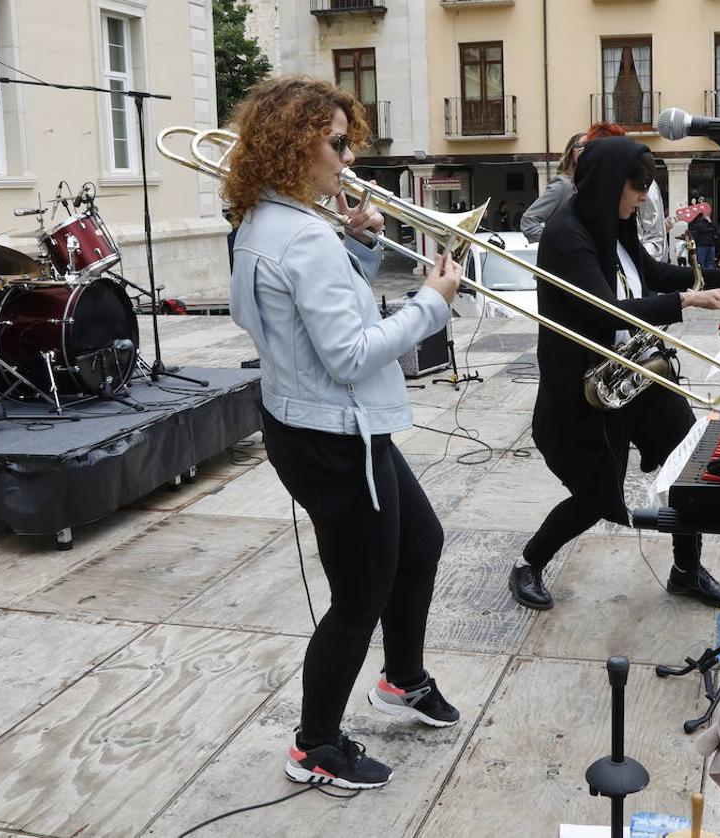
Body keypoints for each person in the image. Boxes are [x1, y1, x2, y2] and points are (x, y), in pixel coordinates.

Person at [224, 77, 463, 790]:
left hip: (315, 425)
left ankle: (402, 678)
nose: (347, 156)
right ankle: (316, 745)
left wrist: (356, 248)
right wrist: (432, 303)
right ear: (296, 144)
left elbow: (277, 317)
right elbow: (353, 353)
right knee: (359, 597)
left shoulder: (264, 224)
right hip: (335, 438)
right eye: (336, 141)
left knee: (421, 543)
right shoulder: (302, 237)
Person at [508, 137, 720, 611]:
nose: (644, 196)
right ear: (610, 185)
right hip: (588, 390)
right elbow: (605, 310)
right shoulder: (568, 235)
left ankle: (686, 570)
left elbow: (652, 272)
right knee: (595, 496)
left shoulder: (612, 225)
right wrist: (688, 301)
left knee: (691, 464)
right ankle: (530, 561)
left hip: (635, 373)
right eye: (639, 187)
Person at [521, 131, 585, 243]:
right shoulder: (563, 187)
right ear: (572, 154)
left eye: (590, 144)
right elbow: (529, 220)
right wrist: (557, 243)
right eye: (580, 145)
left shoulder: (600, 186)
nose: (585, 149)